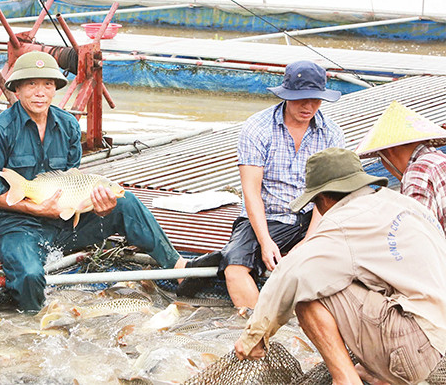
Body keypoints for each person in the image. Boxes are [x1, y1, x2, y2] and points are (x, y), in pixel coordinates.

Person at [0, 51, 190, 311]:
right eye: (31, 84)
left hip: (63, 222)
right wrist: (35, 208)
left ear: (55, 89)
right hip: (16, 224)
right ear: (17, 88)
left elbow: (72, 181)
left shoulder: (68, 125)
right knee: (29, 276)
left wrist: (96, 206)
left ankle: (176, 267)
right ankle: (33, 324)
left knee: (126, 201)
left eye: (48, 84)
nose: (40, 92)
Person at [235, 147, 446, 385]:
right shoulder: (401, 203)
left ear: (324, 198)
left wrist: (253, 338)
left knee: (307, 293)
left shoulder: (345, 222)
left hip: (414, 350)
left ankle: (345, 379)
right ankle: (381, 377)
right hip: (439, 347)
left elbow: (290, 275)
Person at [184, 60, 344, 310]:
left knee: (342, 266)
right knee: (236, 268)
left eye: (315, 99)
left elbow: (328, 195)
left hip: (313, 216)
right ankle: (260, 332)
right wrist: (266, 241)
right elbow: (251, 192)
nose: (309, 106)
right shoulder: (258, 128)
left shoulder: (331, 133)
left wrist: (309, 241)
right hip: (267, 215)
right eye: (301, 98)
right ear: (286, 95)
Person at [355, 100, 446, 233]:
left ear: (389, 152)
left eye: (381, 158)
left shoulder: (418, 172)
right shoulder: (440, 159)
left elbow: (419, 233)